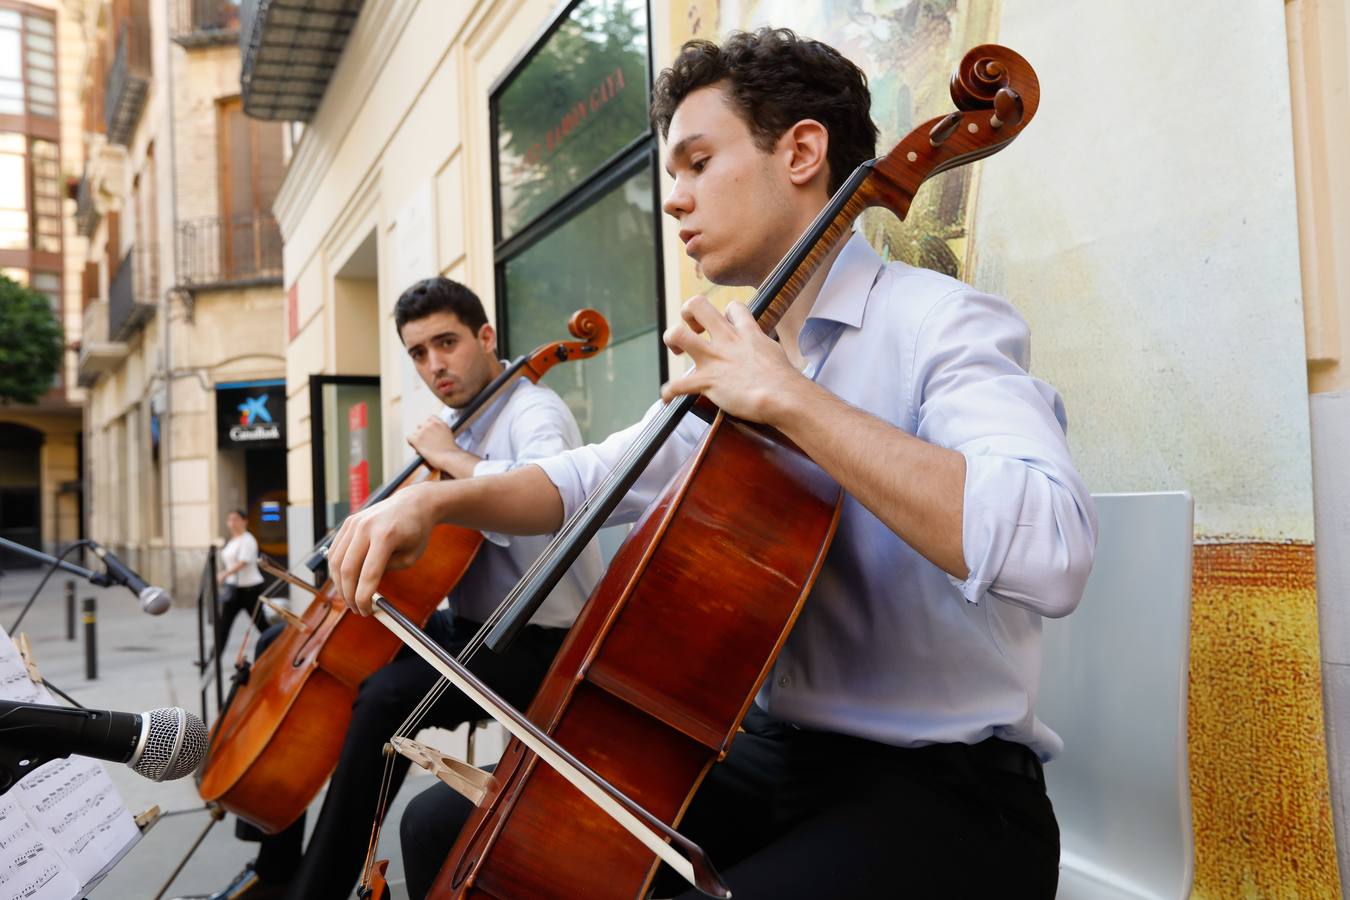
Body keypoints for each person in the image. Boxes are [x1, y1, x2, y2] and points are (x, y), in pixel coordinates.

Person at [331, 29, 1097, 899]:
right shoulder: (749, 357)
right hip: (776, 759)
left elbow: (1054, 550)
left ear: (802, 151)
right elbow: (584, 481)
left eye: (697, 163)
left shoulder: (940, 324)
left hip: (948, 790)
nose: (674, 200)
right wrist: (437, 505)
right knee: (449, 826)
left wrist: (794, 400)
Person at [177, 278, 603, 900]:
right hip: (466, 629)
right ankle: (274, 864)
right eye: (419, 353)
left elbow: (551, 494)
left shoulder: (531, 409)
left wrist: (450, 457)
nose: (435, 365)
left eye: (447, 343)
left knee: (382, 698)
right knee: (281, 636)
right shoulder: (465, 419)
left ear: (485, 337)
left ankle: (315, 890)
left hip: (539, 642)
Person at [215, 509, 265, 652]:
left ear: (244, 521)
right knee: (223, 625)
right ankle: (213, 658)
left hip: (251, 588)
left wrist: (225, 574)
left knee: (261, 623)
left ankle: (277, 645)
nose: (232, 523)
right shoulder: (231, 541)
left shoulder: (248, 539)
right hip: (234, 589)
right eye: (230, 519)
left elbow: (244, 561)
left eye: (236, 519)